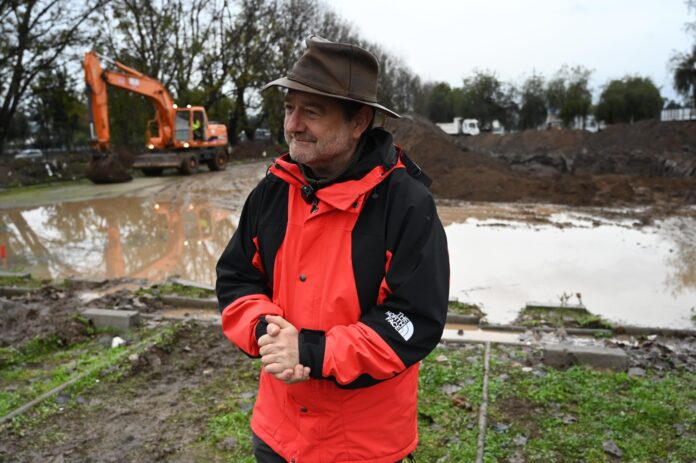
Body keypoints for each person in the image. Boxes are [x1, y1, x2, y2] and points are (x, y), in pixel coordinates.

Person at [216, 36, 450, 463]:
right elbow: (237, 280)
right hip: (278, 434)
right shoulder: (272, 192)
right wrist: (266, 331)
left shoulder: (406, 204)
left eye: (312, 111)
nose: (293, 124)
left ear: (359, 121)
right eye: (289, 108)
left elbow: (412, 320)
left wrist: (312, 351)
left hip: (362, 446)